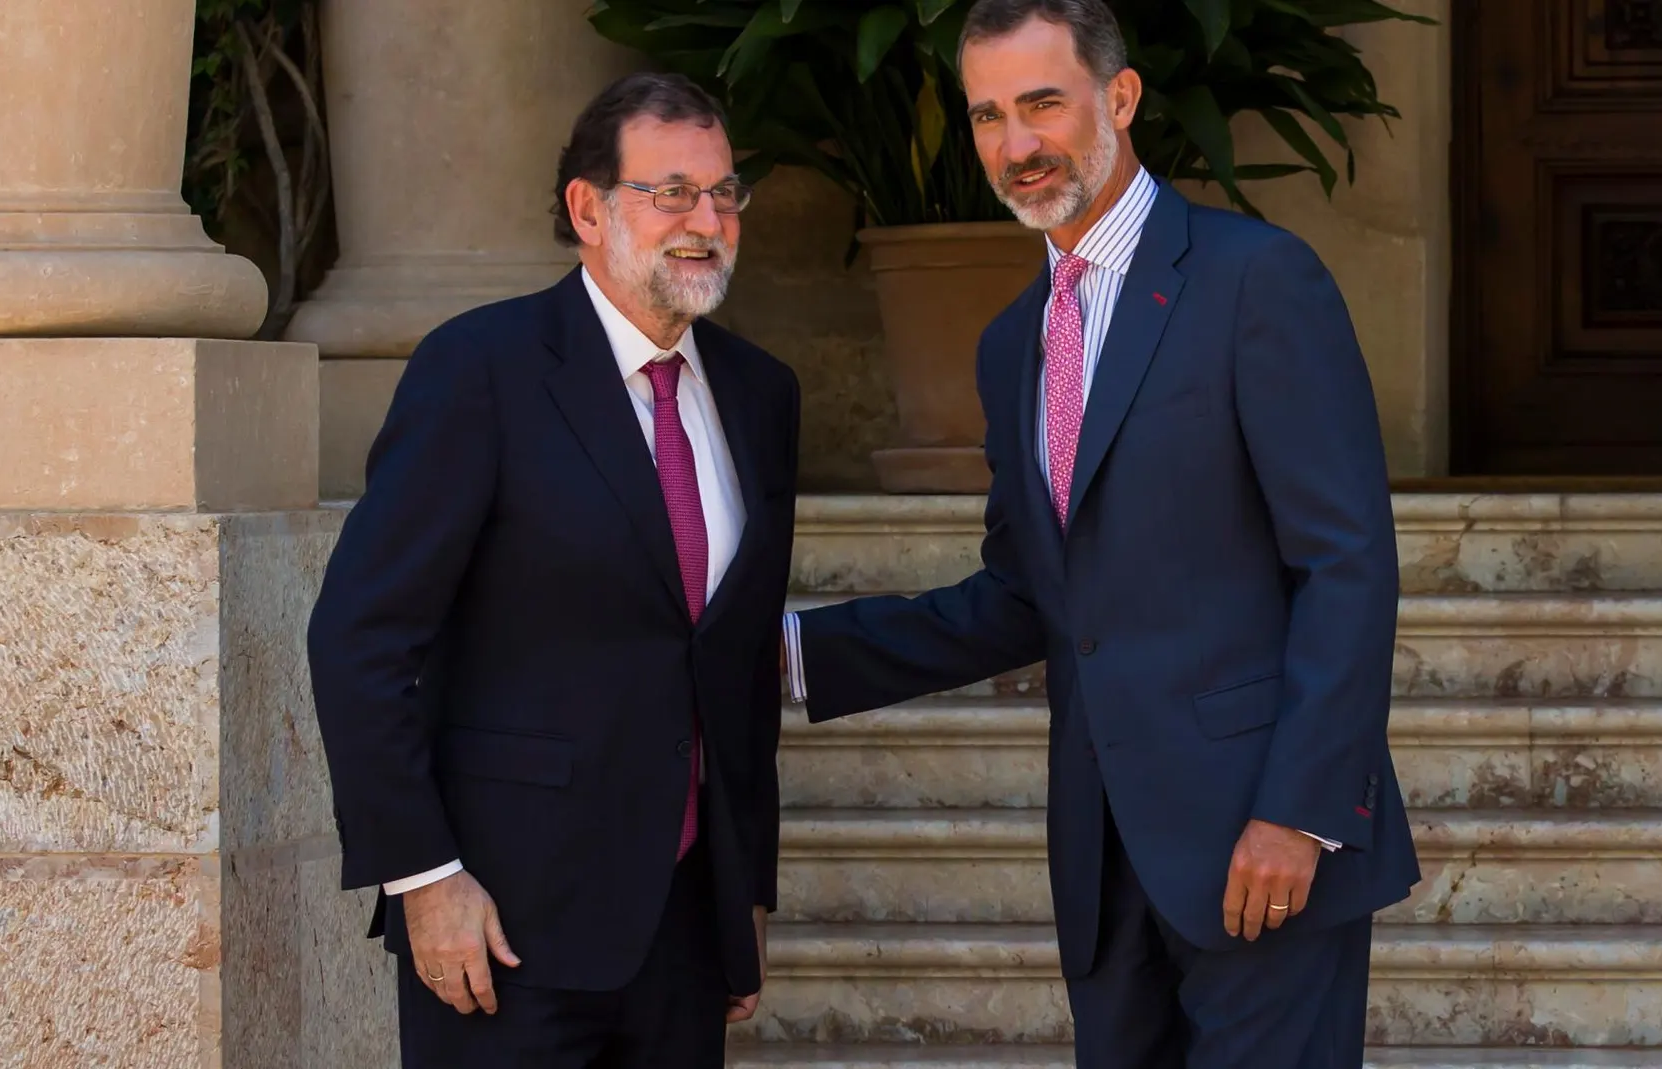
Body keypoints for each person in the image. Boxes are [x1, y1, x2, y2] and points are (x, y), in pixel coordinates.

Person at [779, 1, 1420, 1065]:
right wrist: (793, 658)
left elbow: (1346, 566)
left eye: (1042, 104)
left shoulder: (1256, 280)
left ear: (1118, 99)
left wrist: (1302, 813)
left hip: (1261, 842)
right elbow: (1030, 593)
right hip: (1105, 855)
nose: (1015, 145)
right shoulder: (1010, 346)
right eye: (987, 116)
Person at [307, 71, 799, 1068]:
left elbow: (732, 667)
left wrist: (743, 885)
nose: (705, 220)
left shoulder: (760, 394)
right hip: (500, 924)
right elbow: (360, 638)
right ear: (587, 208)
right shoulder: (480, 368)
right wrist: (424, 876)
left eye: (723, 192)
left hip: (682, 927)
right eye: (670, 193)